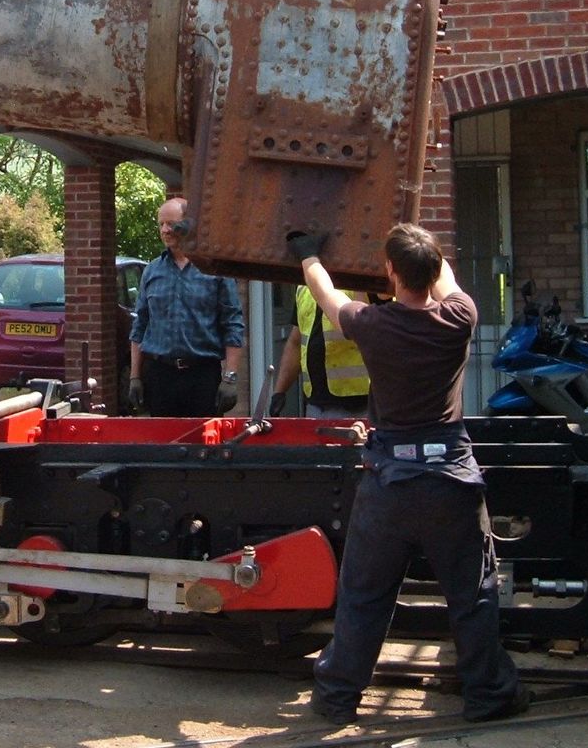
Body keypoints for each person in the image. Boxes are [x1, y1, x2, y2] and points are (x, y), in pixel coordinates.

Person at [287, 222, 528, 726]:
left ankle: (337, 700)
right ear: (435, 270)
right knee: (472, 594)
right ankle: (488, 695)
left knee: (364, 597)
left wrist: (308, 253)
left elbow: (325, 293)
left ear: (390, 272)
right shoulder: (461, 317)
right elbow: (447, 281)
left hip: (390, 481)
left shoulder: (373, 324)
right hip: (451, 480)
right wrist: (426, 248)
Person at [127, 198, 245, 417]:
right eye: (161, 224)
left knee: (204, 447)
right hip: (160, 376)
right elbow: (139, 326)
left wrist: (230, 378)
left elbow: (233, 324)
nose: (165, 230)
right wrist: (135, 377)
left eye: (171, 224)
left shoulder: (214, 270)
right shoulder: (152, 272)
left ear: (189, 225)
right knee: (164, 445)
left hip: (202, 376)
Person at [271, 285, 370, 418]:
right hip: (315, 405)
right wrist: (279, 391)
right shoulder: (304, 288)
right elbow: (295, 343)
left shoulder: (357, 283)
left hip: (359, 405)